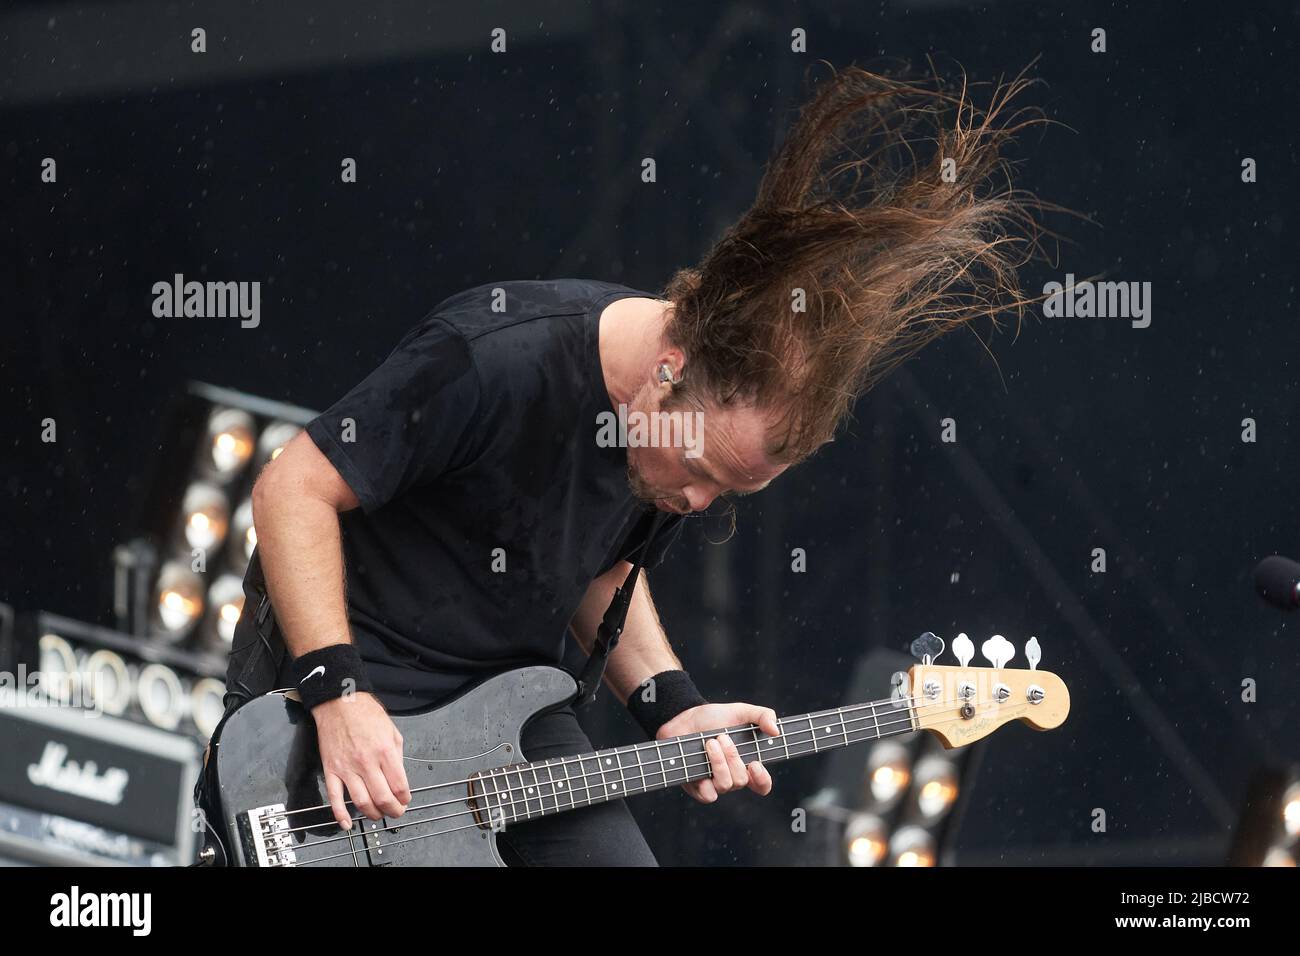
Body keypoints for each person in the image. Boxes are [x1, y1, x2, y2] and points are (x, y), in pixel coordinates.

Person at [233, 64, 1044, 866]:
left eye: (731, 490)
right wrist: (337, 698)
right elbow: (290, 490)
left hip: (506, 711)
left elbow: (604, 567)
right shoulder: (493, 357)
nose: (695, 502)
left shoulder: (675, 442)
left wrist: (671, 706)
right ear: (669, 366)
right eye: (700, 467)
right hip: (336, 687)